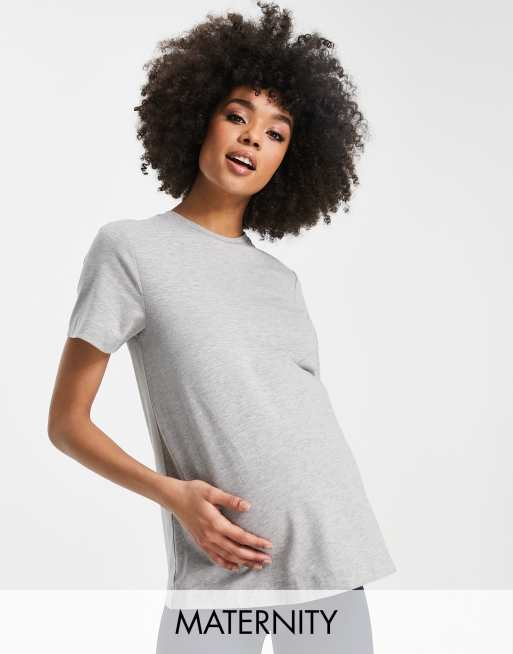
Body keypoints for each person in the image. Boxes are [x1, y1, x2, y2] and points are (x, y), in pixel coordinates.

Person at [48, 2, 396, 651]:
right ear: (199, 117)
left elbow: (294, 417)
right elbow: (66, 423)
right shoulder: (129, 250)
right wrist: (174, 497)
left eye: (275, 133)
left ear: (290, 159)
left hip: (330, 549)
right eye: (237, 116)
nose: (251, 139)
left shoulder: (280, 281)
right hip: (221, 564)